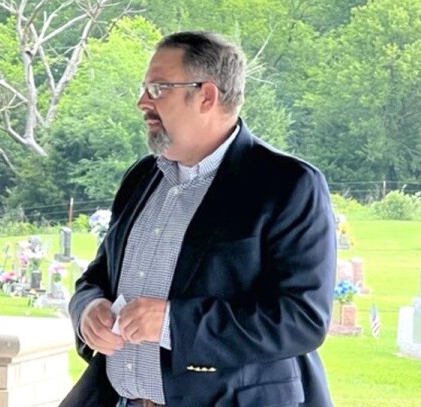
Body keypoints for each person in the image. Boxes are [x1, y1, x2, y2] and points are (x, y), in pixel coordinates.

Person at [63, 31, 336, 407]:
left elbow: (300, 319)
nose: (143, 102)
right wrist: (88, 310)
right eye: (144, 88)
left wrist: (172, 323)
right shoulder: (141, 177)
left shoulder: (288, 184)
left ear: (207, 96)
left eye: (158, 88)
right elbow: (97, 277)